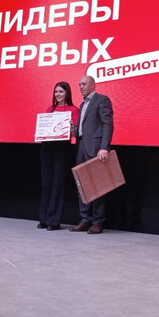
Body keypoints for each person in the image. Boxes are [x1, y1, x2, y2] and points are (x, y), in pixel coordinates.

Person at [69, 76, 114, 234]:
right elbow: (82, 131)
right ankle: (85, 219)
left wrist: (104, 147)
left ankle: (98, 221)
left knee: (97, 185)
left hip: (96, 148)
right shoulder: (82, 105)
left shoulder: (102, 100)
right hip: (81, 146)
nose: (81, 87)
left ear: (93, 85)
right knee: (82, 184)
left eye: (83, 84)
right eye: (79, 84)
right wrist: (72, 129)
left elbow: (107, 124)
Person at [37, 82, 79, 231]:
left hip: (62, 148)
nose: (58, 94)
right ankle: (43, 219)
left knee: (58, 184)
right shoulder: (50, 109)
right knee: (46, 184)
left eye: (61, 91)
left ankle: (54, 221)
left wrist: (72, 126)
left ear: (67, 93)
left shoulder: (73, 109)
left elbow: (75, 134)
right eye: (56, 92)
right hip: (47, 148)